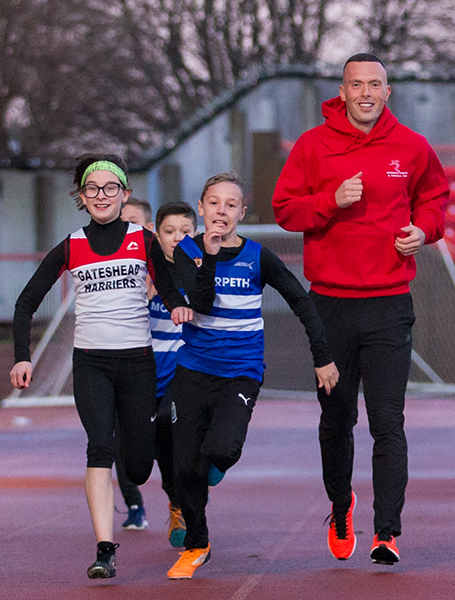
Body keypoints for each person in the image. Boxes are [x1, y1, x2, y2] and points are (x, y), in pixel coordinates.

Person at [272, 53, 448, 566]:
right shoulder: (313, 145)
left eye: (375, 84)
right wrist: (330, 199)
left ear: (388, 92)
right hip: (330, 307)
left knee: (388, 423)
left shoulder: (413, 147)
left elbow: (435, 200)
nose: (366, 92)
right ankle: (341, 503)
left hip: (390, 304)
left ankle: (387, 531)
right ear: (342, 91)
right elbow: (285, 209)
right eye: (356, 84)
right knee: (336, 420)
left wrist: (424, 230)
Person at [10, 154, 188, 578]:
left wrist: (179, 305)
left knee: (138, 464)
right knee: (99, 448)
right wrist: (22, 355)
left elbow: (167, 284)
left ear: (124, 194)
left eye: (111, 188)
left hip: (138, 363)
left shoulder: (142, 240)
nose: (102, 195)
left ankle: (158, 489)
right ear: (82, 197)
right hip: (91, 363)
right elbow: (25, 302)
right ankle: (105, 549)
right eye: (93, 189)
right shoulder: (72, 245)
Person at [167, 173, 338, 579]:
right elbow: (202, 304)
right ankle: (197, 544)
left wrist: (323, 356)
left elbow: (300, 299)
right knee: (183, 468)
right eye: (214, 203)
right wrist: (207, 256)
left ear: (241, 213)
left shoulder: (258, 257)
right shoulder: (185, 252)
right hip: (192, 370)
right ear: (202, 208)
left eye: (230, 205)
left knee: (222, 450)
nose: (221, 211)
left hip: (240, 373)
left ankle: (213, 467)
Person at [111, 200, 192, 544]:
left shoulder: (188, 266)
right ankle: (164, 501)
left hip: (179, 369)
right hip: (140, 370)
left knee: (173, 431)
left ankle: (185, 506)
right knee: (148, 452)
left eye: (136, 225)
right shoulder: (129, 272)